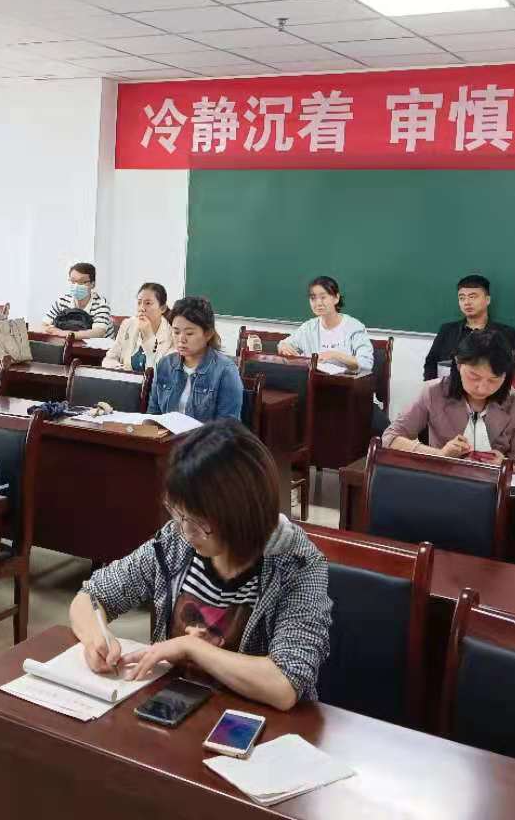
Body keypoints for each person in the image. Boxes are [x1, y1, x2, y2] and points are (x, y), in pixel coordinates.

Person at [70, 420, 333, 710]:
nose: (186, 532)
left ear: (239, 516)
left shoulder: (297, 566)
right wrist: (96, 637)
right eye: (179, 515)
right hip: (174, 710)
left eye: (198, 522)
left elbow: (284, 684)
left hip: (250, 722)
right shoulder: (176, 543)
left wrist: (190, 647)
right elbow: (92, 596)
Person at [385, 328, 515, 471]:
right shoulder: (433, 393)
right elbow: (390, 438)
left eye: (493, 380)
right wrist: (440, 454)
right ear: (458, 364)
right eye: (474, 377)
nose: (482, 388)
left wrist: (504, 465)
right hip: (445, 480)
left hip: (494, 484)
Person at [148, 296, 243, 421]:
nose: (181, 339)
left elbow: (227, 426)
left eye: (189, 333)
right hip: (166, 433)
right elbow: (153, 414)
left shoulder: (226, 371)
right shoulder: (165, 364)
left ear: (208, 334)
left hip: (206, 434)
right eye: (176, 332)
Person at [422, 274, 515, 381]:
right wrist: (434, 387)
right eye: (462, 298)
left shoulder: (505, 333)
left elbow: (513, 369)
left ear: (487, 300)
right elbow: (431, 363)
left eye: (472, 297)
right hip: (449, 389)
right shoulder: (447, 330)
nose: (467, 302)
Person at [276, 276, 374, 373]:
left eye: (323, 297)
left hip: (344, 380)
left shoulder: (354, 327)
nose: (318, 303)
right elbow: (284, 344)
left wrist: (334, 355)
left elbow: (366, 363)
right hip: (313, 379)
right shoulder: (309, 327)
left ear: (336, 298)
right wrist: (284, 347)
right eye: (313, 298)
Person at [103, 282, 173, 372]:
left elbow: (159, 371)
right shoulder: (128, 324)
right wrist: (122, 371)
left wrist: (148, 336)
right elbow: (109, 359)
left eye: (148, 303)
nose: (142, 308)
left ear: (162, 308)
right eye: (139, 303)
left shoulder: (171, 334)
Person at [42, 261, 112, 340]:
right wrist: (51, 329)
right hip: (70, 345)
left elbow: (98, 333)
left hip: (98, 347)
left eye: (82, 282)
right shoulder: (62, 301)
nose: (76, 286)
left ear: (93, 284)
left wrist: (63, 333)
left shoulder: (101, 304)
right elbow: (44, 325)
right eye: (73, 281)